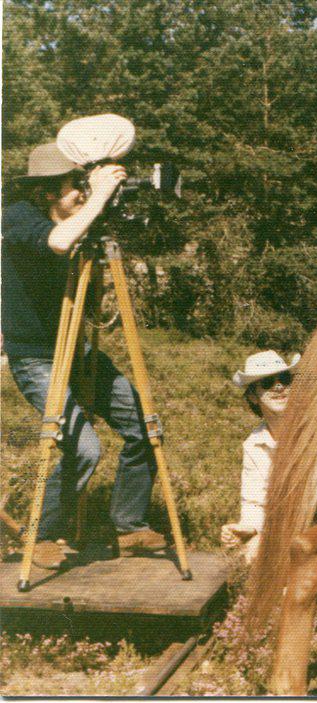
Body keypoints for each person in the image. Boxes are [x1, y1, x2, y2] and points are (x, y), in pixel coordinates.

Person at [2, 143, 167, 569]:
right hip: (36, 358)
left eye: (83, 184)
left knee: (144, 424)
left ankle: (129, 526)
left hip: (76, 349)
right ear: (44, 193)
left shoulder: (77, 222)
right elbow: (57, 243)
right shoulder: (19, 216)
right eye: (75, 185)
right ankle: (39, 533)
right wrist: (96, 198)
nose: (82, 192)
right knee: (85, 448)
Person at [221, 351, 317, 564]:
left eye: (285, 379)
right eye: (267, 383)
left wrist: (265, 537)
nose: (279, 387)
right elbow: (254, 499)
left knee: (292, 553)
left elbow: (307, 493)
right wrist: (249, 529)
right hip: (306, 516)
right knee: (254, 552)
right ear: (252, 396)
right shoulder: (254, 443)